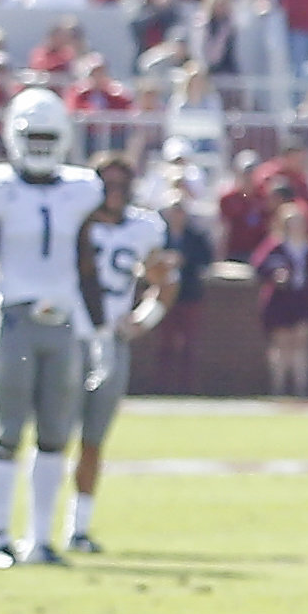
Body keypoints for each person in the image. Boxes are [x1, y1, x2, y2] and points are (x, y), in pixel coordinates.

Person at [0, 85, 94, 569]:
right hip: (15, 318)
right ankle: (0, 537)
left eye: (47, 135)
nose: (40, 145)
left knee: (56, 434)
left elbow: (86, 267)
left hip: (62, 321)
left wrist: (98, 330)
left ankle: (40, 539)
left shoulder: (80, 190)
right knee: (7, 432)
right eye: (31, 135)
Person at [67, 154, 177, 555]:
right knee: (52, 435)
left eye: (120, 184)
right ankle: (40, 527)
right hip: (67, 336)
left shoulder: (143, 228)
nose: (113, 192)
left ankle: (77, 528)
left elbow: (164, 282)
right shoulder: (73, 223)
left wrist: (142, 322)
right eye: (106, 184)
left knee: (94, 439)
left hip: (109, 341)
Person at [254, 190, 308, 402]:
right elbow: (259, 265)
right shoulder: (275, 246)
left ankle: (300, 388)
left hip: (302, 300)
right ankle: (279, 388)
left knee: (300, 343)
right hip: (280, 301)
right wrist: (277, 273)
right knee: (281, 344)